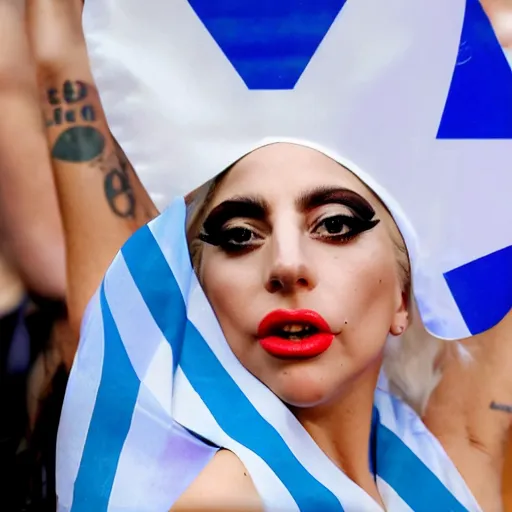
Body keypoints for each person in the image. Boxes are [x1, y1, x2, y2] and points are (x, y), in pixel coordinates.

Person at [57, 0, 511, 511]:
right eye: (238, 235)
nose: (286, 265)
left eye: (335, 226)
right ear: (197, 287)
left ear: (404, 296)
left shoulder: (443, 465)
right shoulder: (219, 501)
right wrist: (61, 64)